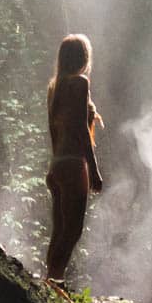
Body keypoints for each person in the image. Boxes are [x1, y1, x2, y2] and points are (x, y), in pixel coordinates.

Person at [44, 33, 103, 286]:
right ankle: (55, 282)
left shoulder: (55, 86)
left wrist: (57, 162)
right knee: (73, 230)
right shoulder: (80, 83)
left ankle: (49, 282)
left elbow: (53, 130)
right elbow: (80, 128)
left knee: (59, 230)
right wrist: (94, 169)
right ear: (83, 57)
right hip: (73, 164)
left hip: (57, 164)